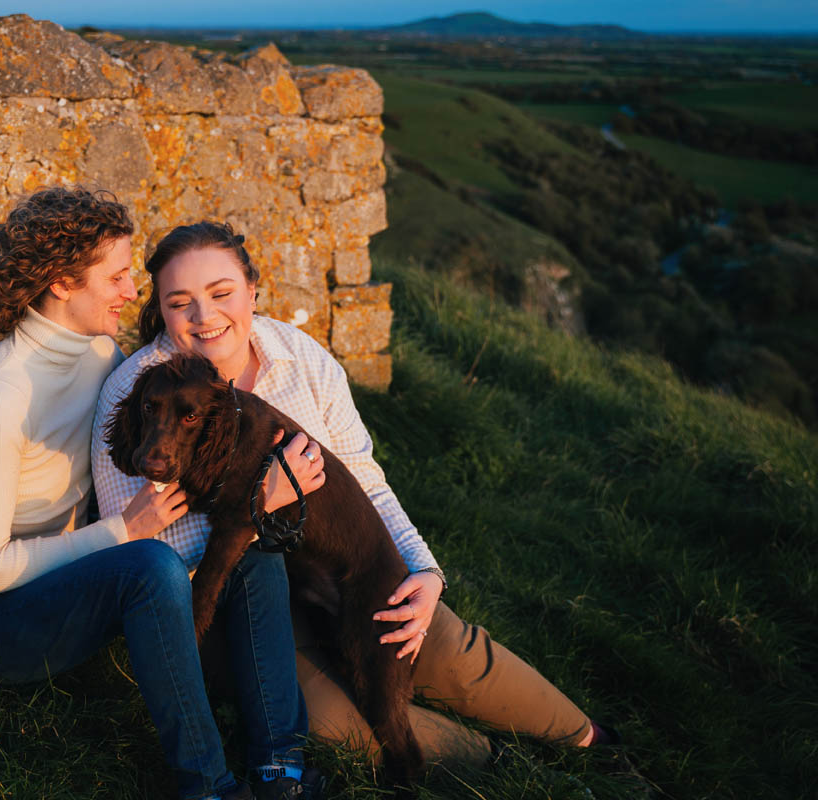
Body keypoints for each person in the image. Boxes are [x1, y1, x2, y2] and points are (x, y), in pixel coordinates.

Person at [91, 221, 614, 774]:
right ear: (163, 312)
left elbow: (366, 479)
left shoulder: (300, 357)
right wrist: (261, 503)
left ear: (251, 289)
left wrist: (425, 573)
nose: (205, 316)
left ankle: (593, 741)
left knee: (440, 643)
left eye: (222, 293)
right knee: (338, 727)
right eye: (180, 303)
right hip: (238, 606)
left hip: (337, 566)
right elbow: (152, 564)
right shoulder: (138, 397)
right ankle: (500, 764)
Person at [0, 188, 324, 800]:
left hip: (73, 582)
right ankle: (209, 785)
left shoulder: (99, 356)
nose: (130, 292)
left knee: (246, 541)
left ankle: (280, 766)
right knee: (149, 563)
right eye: (115, 277)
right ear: (61, 282)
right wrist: (121, 533)